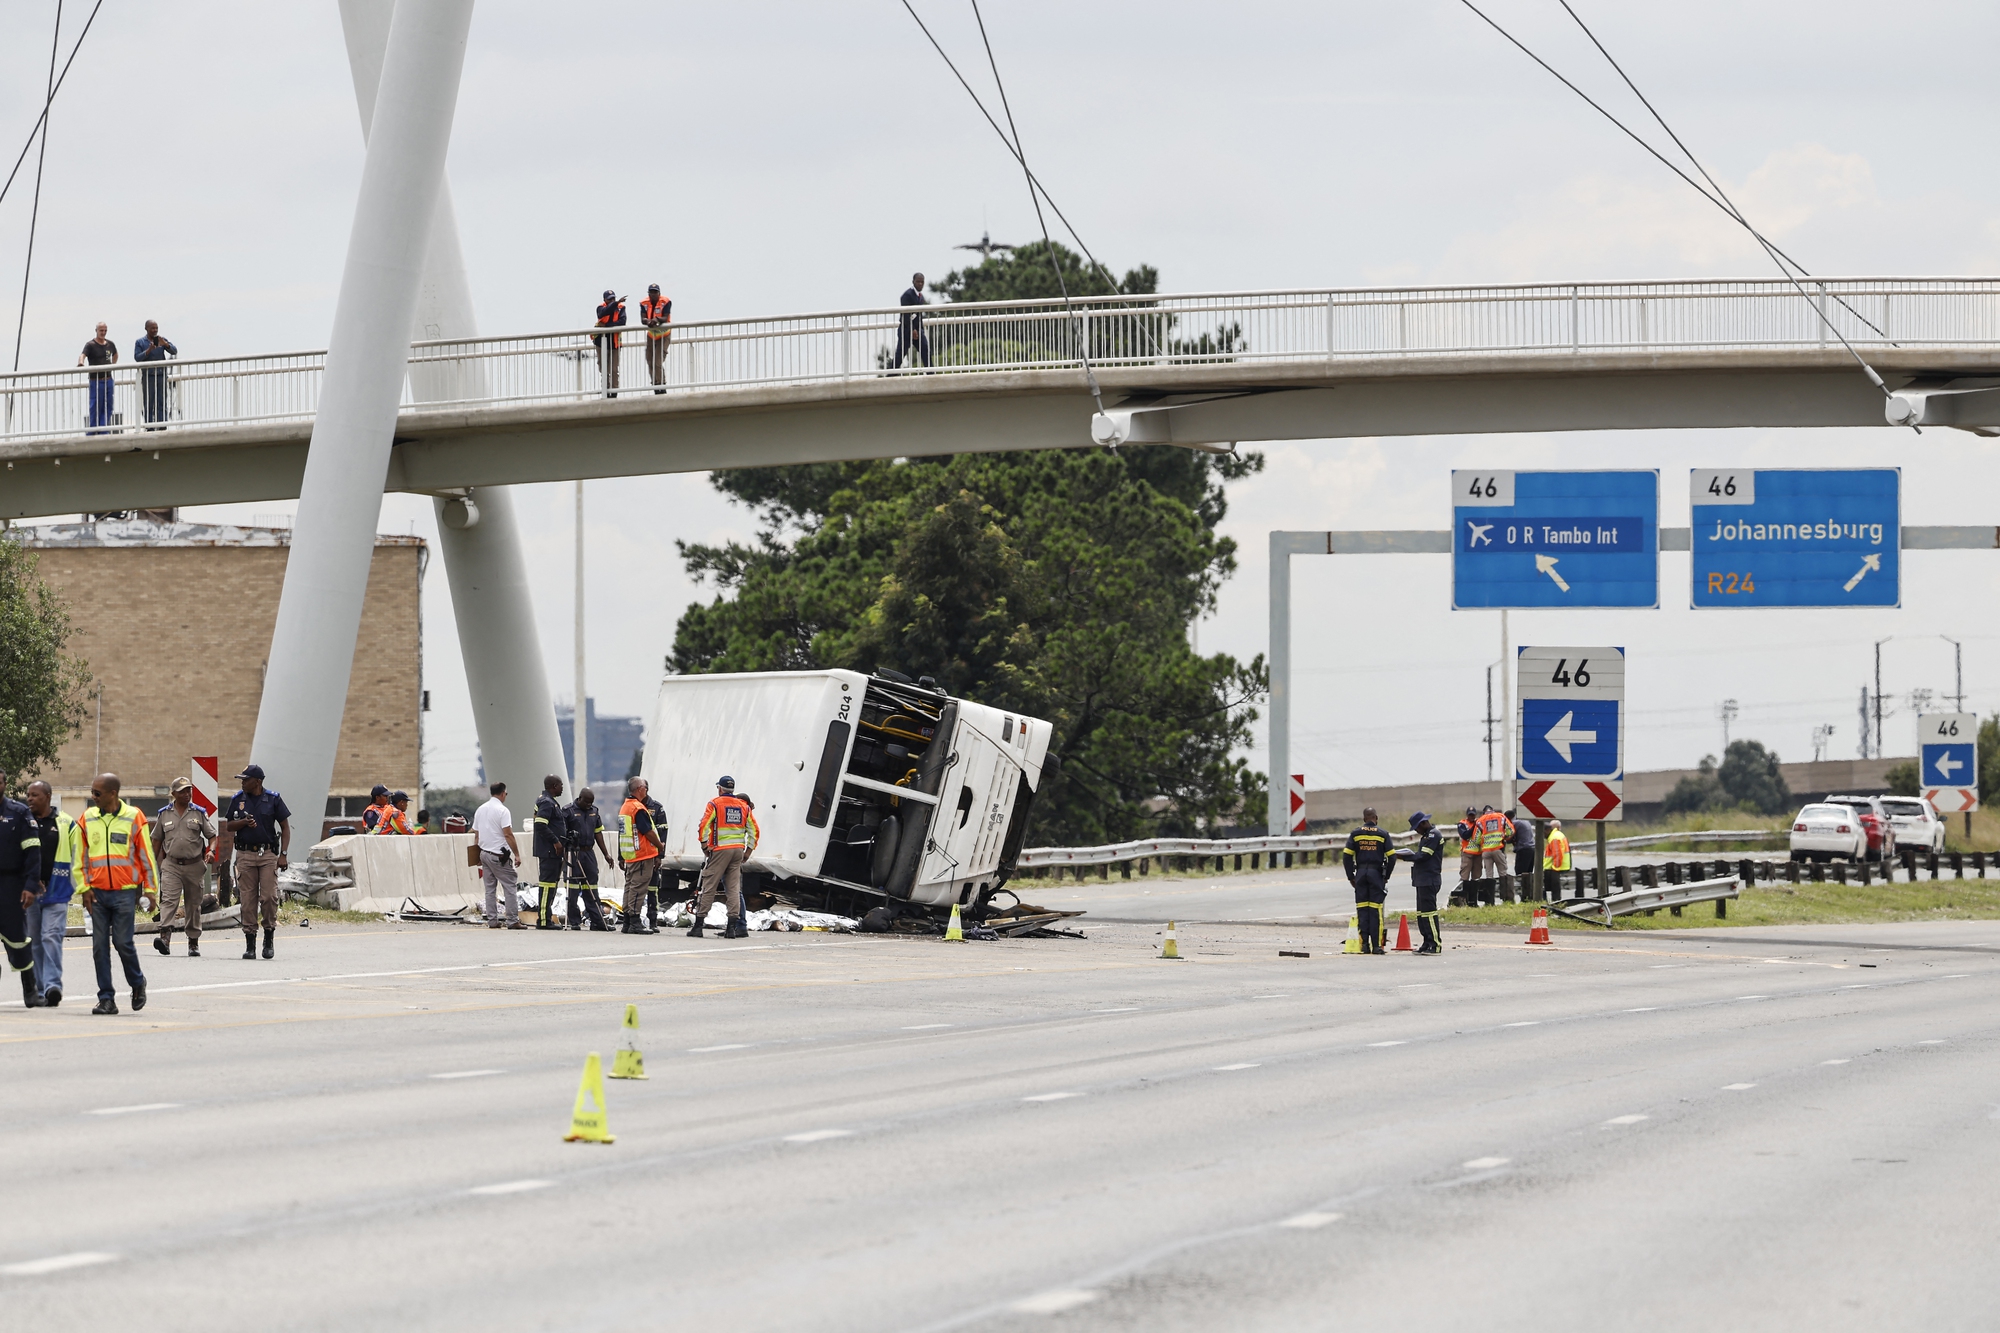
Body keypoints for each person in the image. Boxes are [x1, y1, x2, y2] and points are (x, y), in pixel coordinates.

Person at [79, 774, 154, 1015]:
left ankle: (137, 982)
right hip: (97, 894)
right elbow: (79, 857)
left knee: (122, 943)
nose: (93, 797)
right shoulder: (87, 818)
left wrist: (151, 891)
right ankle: (106, 999)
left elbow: (146, 857)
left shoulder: (134, 817)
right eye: (92, 792)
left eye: (97, 793)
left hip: (124, 893)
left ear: (113, 793)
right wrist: (84, 888)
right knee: (99, 947)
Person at [223, 763, 291, 960]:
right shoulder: (238, 799)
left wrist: (283, 854)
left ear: (258, 782)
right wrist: (243, 823)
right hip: (245, 855)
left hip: (268, 854)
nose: (242, 783)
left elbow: (285, 827)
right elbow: (229, 826)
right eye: (241, 780)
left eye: (246, 780)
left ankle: (268, 935)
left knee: (269, 897)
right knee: (247, 900)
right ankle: (250, 942)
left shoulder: (273, 799)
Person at [23, 782, 76, 1006]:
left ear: (48, 796)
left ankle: (54, 985)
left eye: (34, 795)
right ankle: (41, 990)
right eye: (28, 795)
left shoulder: (65, 823)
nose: (29, 799)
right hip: (31, 893)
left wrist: (77, 886)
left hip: (58, 891)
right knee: (34, 941)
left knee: (50, 937)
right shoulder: (24, 821)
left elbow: (77, 856)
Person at [151, 776, 215, 957]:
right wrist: (151, 865)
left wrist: (211, 851)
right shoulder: (164, 814)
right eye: (183, 791)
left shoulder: (198, 813)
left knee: (193, 905)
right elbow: (156, 840)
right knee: (169, 900)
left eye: (189, 790)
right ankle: (165, 938)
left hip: (194, 865)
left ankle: (193, 942)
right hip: (171, 864)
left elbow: (212, 835)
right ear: (174, 794)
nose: (187, 794)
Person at [691, 775, 758, 939]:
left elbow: (703, 825)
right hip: (737, 852)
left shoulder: (715, 803)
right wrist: (748, 851)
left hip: (720, 850)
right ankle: (732, 928)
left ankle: (698, 926)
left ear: (720, 789)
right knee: (734, 889)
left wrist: (704, 845)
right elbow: (754, 831)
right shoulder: (744, 806)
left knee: (709, 886)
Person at [0, 774, 44, 1007]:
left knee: (18, 939)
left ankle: (31, 991)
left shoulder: (18, 813)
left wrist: (30, 885)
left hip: (11, 885)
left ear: (4, 784)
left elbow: (33, 852)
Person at [1341, 806, 1396, 955]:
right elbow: (1392, 856)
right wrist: (1386, 877)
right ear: (1376, 818)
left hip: (1360, 874)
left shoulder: (1356, 833)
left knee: (1362, 910)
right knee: (1375, 910)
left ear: (1364, 819)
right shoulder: (1383, 834)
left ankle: (1364, 944)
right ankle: (1377, 946)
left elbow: (1346, 856)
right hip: (1376, 874)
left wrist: (1350, 876)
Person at [471, 782, 526, 928]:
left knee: (490, 889)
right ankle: (513, 920)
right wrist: (517, 854)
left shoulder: (480, 810)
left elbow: (476, 835)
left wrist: (476, 856)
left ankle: (492, 921)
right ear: (502, 793)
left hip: (484, 854)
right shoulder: (503, 811)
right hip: (499, 856)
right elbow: (508, 834)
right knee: (509, 886)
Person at [1395, 812, 1447, 956]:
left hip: (1429, 879)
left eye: (1417, 827)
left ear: (1424, 823)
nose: (1416, 831)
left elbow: (1424, 856)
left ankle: (1435, 944)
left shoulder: (1433, 835)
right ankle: (1427, 942)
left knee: (1429, 913)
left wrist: (1403, 857)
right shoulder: (1426, 836)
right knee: (1422, 914)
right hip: (1421, 879)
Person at [617, 778, 661, 935]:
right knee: (638, 887)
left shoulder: (625, 807)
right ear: (640, 789)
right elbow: (647, 831)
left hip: (630, 854)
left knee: (629, 886)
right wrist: (659, 845)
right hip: (642, 853)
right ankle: (635, 921)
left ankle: (627, 921)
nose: (646, 791)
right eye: (645, 788)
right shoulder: (638, 808)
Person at [563, 787, 610, 932]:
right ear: (580, 798)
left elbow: (598, 834)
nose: (589, 805)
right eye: (587, 802)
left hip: (589, 853)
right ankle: (574, 921)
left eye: (591, 802)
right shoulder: (568, 811)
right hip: (573, 852)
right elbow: (561, 833)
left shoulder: (594, 811)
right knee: (572, 889)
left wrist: (606, 854)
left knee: (592, 887)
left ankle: (597, 921)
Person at [532, 774, 569, 930]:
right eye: (561, 785)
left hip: (551, 852)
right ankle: (543, 920)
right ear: (554, 786)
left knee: (551, 884)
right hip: (549, 851)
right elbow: (540, 824)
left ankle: (546, 916)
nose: (562, 787)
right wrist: (556, 841)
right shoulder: (547, 803)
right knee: (547, 885)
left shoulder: (548, 801)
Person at [133, 320, 178, 429]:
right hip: (148, 376)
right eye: (152, 328)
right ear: (146, 329)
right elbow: (137, 357)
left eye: (156, 328)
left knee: (162, 402)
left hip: (161, 375)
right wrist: (149, 350)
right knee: (149, 403)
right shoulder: (140, 342)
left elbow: (174, 351)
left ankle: (162, 426)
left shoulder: (161, 340)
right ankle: (149, 427)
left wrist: (165, 345)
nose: (155, 330)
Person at [79, 321, 118, 433]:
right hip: (95, 380)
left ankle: (103, 429)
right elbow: (83, 355)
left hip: (108, 379)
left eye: (105, 330)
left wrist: (112, 365)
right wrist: (81, 362)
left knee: (108, 405)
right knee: (95, 405)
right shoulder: (90, 345)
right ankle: (92, 430)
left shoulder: (110, 344)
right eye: (101, 330)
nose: (103, 332)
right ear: (96, 331)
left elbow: (115, 354)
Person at [643, 787, 670, 930]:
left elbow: (663, 832)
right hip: (638, 855)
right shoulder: (633, 806)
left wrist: (660, 855)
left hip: (652, 855)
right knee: (636, 889)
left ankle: (653, 920)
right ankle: (632, 920)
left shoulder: (656, 808)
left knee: (653, 889)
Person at [892, 272, 930, 369]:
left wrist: (920, 329)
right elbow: (906, 315)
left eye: (922, 282)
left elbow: (919, 315)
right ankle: (890, 375)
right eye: (918, 282)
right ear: (913, 282)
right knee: (900, 356)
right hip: (906, 329)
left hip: (918, 330)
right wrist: (912, 329)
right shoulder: (907, 295)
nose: (920, 284)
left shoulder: (921, 296)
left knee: (925, 349)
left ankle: (931, 372)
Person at [639, 283, 672, 392]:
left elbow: (665, 317)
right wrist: (647, 321)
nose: (653, 295)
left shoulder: (665, 301)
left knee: (658, 362)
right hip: (651, 335)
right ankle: (655, 384)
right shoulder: (644, 303)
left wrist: (656, 319)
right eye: (651, 292)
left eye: (655, 292)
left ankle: (662, 385)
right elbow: (643, 318)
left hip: (663, 335)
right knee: (650, 360)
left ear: (659, 293)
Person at [594, 289, 626, 397]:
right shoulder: (600, 308)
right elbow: (603, 313)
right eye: (610, 299)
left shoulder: (621, 308)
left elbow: (622, 322)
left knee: (613, 369)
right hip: (601, 343)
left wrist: (607, 326)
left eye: (614, 299)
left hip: (614, 343)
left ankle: (614, 392)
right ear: (604, 300)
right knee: (603, 369)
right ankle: (605, 391)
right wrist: (615, 304)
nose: (612, 301)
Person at [1475, 804, 1512, 886]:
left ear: (1484, 812)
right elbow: (1511, 831)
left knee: (1489, 875)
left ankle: (1489, 897)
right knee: (1503, 872)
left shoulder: (1480, 820)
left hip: (1486, 851)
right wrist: (1504, 838)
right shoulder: (1501, 817)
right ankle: (1505, 896)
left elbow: (1476, 839)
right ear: (1493, 810)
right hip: (1498, 849)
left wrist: (1483, 844)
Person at [1455, 806, 1480, 899]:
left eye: (1473, 815)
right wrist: (1475, 826)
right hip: (1467, 853)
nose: (1472, 817)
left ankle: (1473, 900)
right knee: (1464, 876)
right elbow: (1465, 835)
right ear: (1467, 815)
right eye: (1470, 815)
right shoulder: (1462, 824)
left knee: (1476, 877)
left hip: (1478, 854)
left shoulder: (1479, 823)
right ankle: (1461, 898)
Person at [1543, 818, 1572, 887]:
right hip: (1560, 867)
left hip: (1556, 869)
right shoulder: (1558, 835)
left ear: (1547, 830)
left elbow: (1558, 854)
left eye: (1543, 832)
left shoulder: (1554, 838)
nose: (1543, 835)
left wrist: (1555, 869)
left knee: (1552, 890)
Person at [1511, 807, 1537, 880]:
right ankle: (1530, 890)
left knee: (1520, 872)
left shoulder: (1515, 823)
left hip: (1523, 849)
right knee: (1529, 872)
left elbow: (1509, 835)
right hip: (1531, 848)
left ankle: (1523, 889)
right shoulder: (1526, 821)